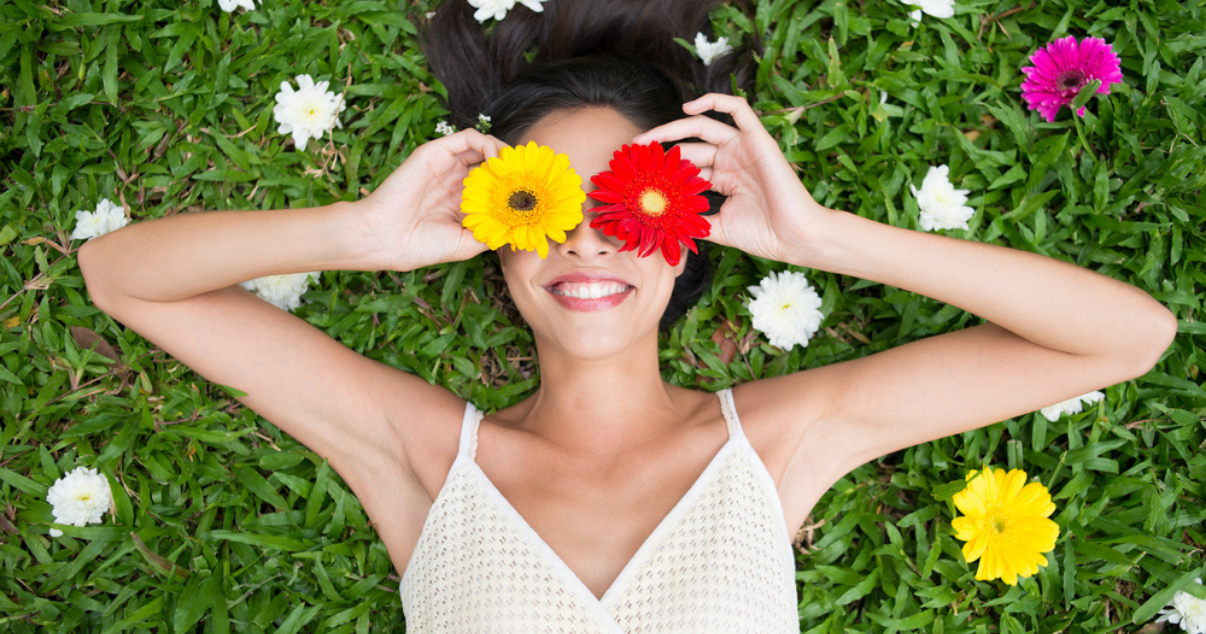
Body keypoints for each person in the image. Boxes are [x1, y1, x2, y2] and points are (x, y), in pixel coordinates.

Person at [78, 0, 1177, 631]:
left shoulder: (776, 445)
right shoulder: (424, 458)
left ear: (685, 230)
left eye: (625, 202)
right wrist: (359, 234)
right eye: (544, 202)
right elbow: (121, 276)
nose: (588, 238)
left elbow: (1127, 337)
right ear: (496, 235)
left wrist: (821, 239)